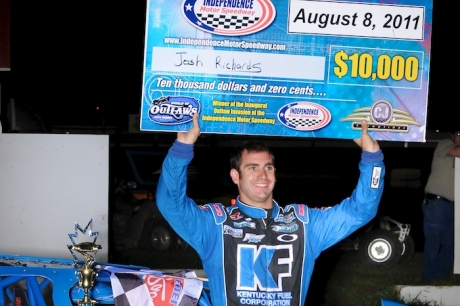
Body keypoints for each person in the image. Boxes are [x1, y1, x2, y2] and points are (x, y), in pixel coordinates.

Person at [156, 113, 385, 305]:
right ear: (236, 176)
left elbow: (360, 210)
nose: (262, 175)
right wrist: (181, 151)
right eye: (252, 168)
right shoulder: (216, 225)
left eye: (268, 167)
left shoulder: (304, 224)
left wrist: (372, 159)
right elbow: (171, 203)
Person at [422, 128, 460, 283]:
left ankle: (441, 277)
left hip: (454, 206)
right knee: (434, 240)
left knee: (451, 244)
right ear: (452, 136)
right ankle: (429, 278)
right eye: (459, 134)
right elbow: (456, 152)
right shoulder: (444, 144)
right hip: (436, 204)